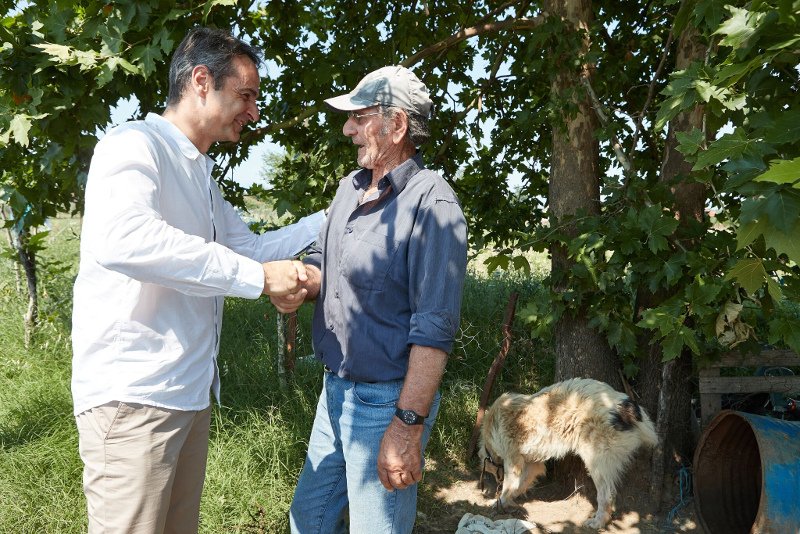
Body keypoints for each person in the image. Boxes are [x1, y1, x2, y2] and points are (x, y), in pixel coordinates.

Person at [71, 27, 324, 534]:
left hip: (187, 397)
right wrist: (257, 279)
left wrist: (336, 214)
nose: (253, 112)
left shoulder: (200, 176)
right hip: (134, 398)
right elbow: (124, 240)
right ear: (202, 81)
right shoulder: (134, 146)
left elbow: (249, 248)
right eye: (246, 95)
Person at [272, 65, 468, 534]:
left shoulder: (433, 205)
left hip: (386, 403)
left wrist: (406, 426)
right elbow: (326, 260)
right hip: (335, 394)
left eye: (359, 118)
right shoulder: (350, 188)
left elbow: (434, 330)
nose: (348, 129)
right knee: (308, 521)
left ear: (395, 125)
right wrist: (304, 282)